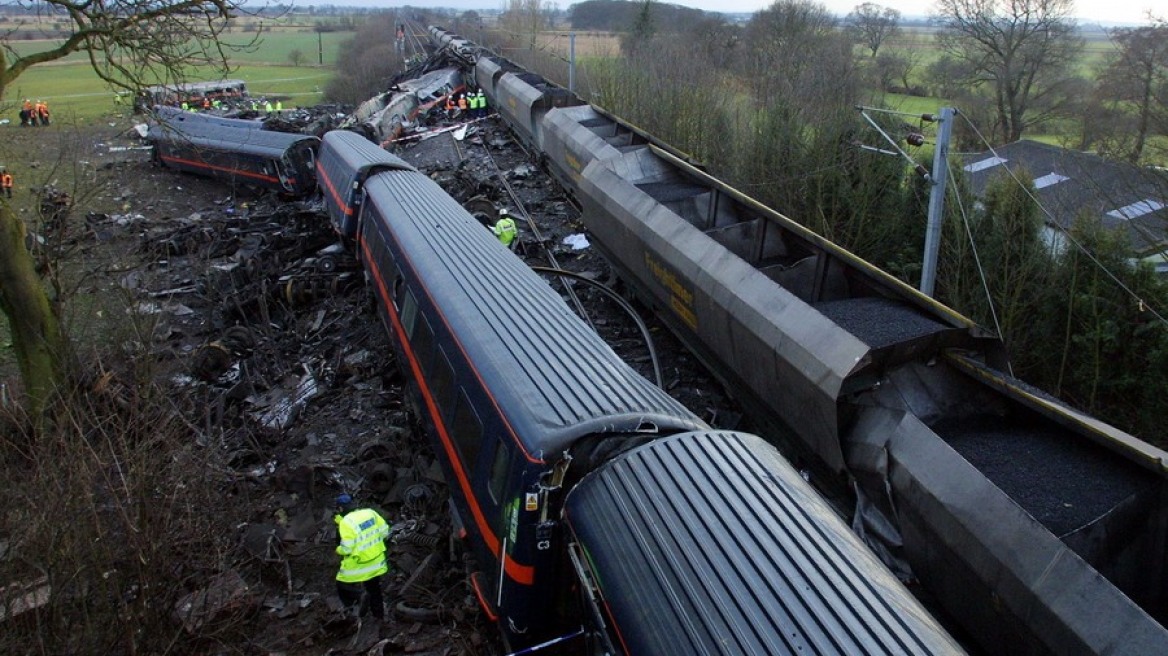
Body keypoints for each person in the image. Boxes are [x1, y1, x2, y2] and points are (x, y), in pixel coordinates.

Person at [334, 493, 392, 620]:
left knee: (341, 585)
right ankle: (379, 618)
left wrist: (338, 549)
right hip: (377, 562)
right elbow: (385, 532)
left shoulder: (346, 523)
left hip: (361, 563)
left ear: (341, 509)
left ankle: (358, 597)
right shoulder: (370, 513)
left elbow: (347, 548)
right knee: (374, 589)